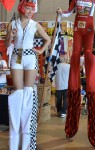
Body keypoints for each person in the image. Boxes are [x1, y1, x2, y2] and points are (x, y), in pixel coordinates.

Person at [57, 0, 95, 149]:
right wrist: (61, 13)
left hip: (89, 28)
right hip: (77, 27)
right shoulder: (75, 0)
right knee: (75, 54)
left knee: (88, 53)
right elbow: (69, 11)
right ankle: (71, 125)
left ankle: (91, 80)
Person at [4, 0, 50, 149]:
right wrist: (10, 35)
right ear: (21, 8)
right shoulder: (13, 24)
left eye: (32, 9)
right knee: (18, 93)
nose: (30, 11)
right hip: (16, 57)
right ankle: (16, 129)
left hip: (31, 58)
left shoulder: (35, 25)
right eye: (28, 8)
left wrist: (41, 50)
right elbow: (6, 44)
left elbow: (48, 39)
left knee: (29, 93)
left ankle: (27, 134)